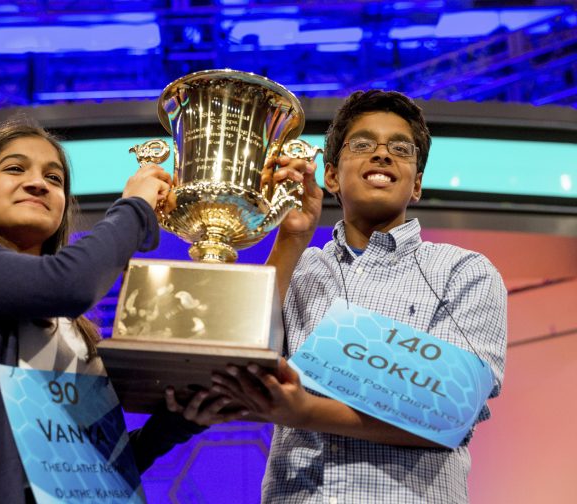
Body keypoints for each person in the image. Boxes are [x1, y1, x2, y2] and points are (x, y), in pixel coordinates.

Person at [0, 121, 241, 504]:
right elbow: (68, 284)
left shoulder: (75, 332)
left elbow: (92, 464)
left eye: (54, 177)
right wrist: (134, 208)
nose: (38, 183)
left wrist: (176, 423)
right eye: (15, 168)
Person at [210, 90, 507, 503]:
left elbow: (451, 414)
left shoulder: (464, 272)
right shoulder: (301, 269)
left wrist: (306, 412)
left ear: (416, 183)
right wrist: (292, 237)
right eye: (363, 144)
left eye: (400, 149)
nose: (382, 155)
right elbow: (234, 353)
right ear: (331, 176)